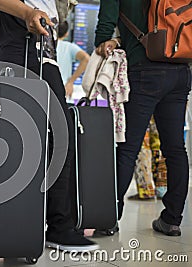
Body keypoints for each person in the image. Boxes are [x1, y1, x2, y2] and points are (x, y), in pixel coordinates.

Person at [0, 0, 99, 251]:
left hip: (46, 57)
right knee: (23, 141)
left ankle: (50, 225)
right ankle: (23, 228)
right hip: (20, 50)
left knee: (56, 137)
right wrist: (27, 12)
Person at [95, 0, 191, 236]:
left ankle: (108, 218)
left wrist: (104, 41)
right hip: (180, 70)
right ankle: (172, 219)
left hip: (145, 69)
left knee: (128, 148)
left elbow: (106, 21)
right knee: (176, 149)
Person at [56, 20, 90, 99]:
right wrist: (71, 81)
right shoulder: (69, 47)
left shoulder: (43, 45)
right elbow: (86, 59)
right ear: (66, 34)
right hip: (65, 92)